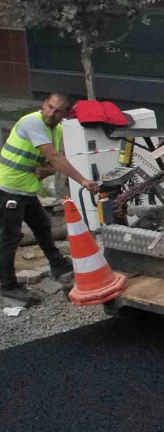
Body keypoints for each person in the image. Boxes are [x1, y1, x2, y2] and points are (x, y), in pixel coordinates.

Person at [0, 93, 96, 306]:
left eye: (57, 110)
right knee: (10, 236)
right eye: (49, 107)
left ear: (64, 114)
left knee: (42, 224)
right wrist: (82, 180)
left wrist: (48, 172)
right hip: (9, 187)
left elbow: (50, 162)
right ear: (43, 105)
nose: (51, 113)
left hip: (25, 187)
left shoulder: (57, 130)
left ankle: (58, 265)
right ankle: (7, 286)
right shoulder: (32, 122)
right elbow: (54, 156)